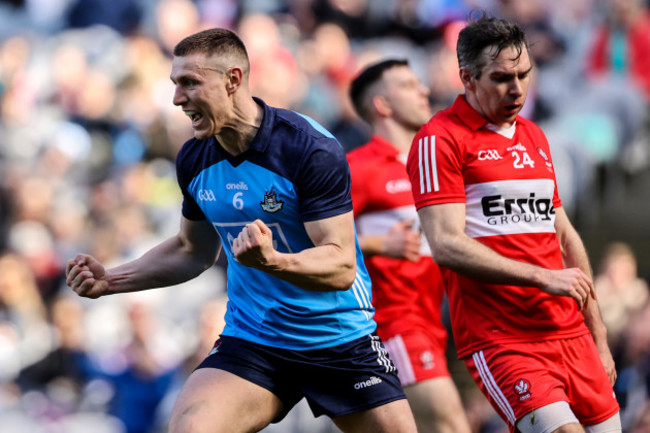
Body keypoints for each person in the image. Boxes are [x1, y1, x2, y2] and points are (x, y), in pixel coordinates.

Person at [65, 28, 417, 433]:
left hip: (338, 340)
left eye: (190, 83)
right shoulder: (194, 157)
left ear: (233, 79)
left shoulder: (307, 147)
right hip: (256, 341)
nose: (178, 99)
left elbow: (340, 266)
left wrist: (272, 261)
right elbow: (190, 250)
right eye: (175, 84)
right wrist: (112, 280)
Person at [405, 14, 621, 433]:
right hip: (504, 338)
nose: (518, 89)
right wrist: (542, 277)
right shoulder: (439, 139)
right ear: (467, 78)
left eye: (524, 74)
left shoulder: (535, 136)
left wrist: (599, 334)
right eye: (502, 77)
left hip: (571, 333)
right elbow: (446, 244)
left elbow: (565, 235)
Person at [346, 59, 472, 433]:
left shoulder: (434, 163)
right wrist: (379, 243)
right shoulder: (358, 167)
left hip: (437, 320)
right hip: (393, 322)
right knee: (451, 424)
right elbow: (310, 237)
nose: (424, 91)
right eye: (407, 85)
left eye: (420, 82)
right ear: (382, 105)